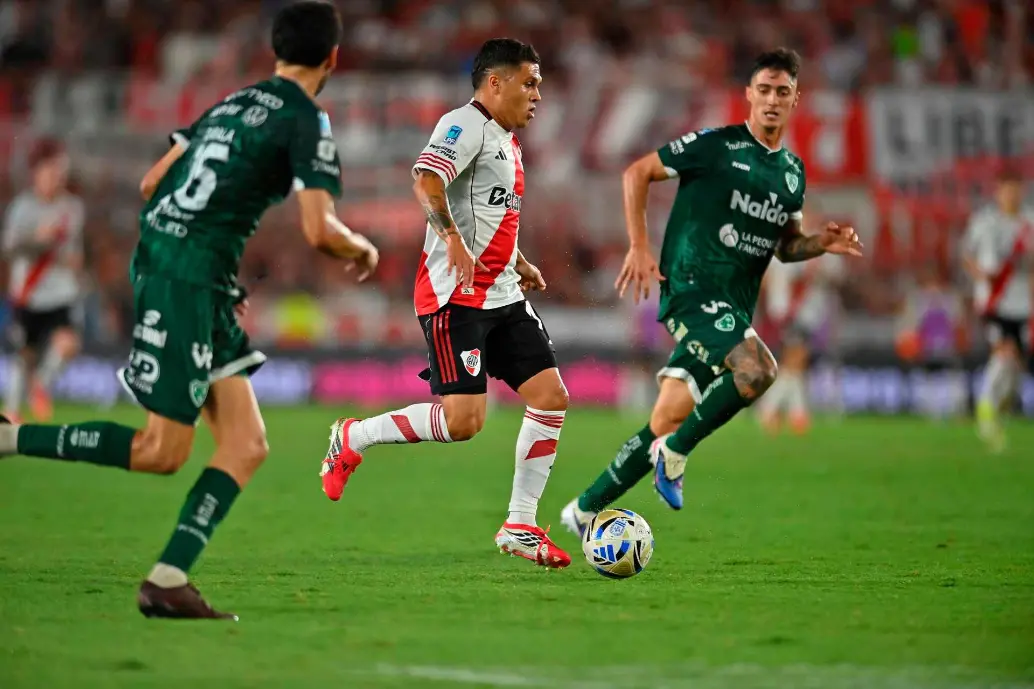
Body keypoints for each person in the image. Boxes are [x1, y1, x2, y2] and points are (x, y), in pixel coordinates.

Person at [0, 1, 379, 619]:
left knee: (247, 444)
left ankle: (169, 579)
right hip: (188, 279)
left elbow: (153, 183)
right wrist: (358, 245)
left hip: (194, 274)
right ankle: (12, 438)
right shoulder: (306, 119)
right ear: (333, 58)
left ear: (277, 52)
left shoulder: (231, 103)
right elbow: (318, 227)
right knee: (162, 450)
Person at [560, 48, 863, 535]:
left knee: (666, 416)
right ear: (748, 94)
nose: (771, 100)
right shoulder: (715, 146)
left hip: (734, 311)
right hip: (691, 288)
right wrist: (639, 247)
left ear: (794, 100)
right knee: (759, 370)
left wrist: (820, 244)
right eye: (762, 90)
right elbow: (637, 172)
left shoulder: (792, 174)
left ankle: (584, 510)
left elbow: (785, 248)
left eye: (781, 92)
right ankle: (676, 455)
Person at [319, 38, 572, 569]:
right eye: (529, 82)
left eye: (540, 84)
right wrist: (451, 238)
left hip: (502, 292)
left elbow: (492, 214)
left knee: (551, 396)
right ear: (494, 83)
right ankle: (354, 435)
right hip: (454, 297)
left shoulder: (506, 139)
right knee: (464, 424)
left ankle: (520, 525)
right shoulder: (464, 124)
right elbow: (426, 180)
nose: (538, 94)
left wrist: (519, 261)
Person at [2, 138, 84, 423]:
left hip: (60, 291)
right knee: (25, 355)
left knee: (68, 343)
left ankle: (41, 386)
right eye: (50, 172)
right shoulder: (22, 208)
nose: (55, 178)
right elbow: (8, 248)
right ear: (37, 173)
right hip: (29, 292)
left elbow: (72, 247)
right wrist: (37, 239)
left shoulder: (72, 208)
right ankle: (11, 412)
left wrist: (74, 260)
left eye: (59, 172)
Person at [961, 167, 1033, 452]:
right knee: (1003, 351)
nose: (1011, 194)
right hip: (993, 300)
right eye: (1006, 188)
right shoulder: (985, 221)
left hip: (1022, 303)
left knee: (1015, 366)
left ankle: (998, 410)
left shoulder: (1029, 222)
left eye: (1016, 188)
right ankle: (985, 409)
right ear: (998, 191)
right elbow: (967, 254)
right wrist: (980, 274)